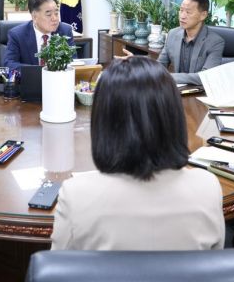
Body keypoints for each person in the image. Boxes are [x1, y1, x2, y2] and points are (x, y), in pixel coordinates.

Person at [51, 56, 225, 250]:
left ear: (103, 120)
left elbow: (58, 267)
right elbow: (213, 264)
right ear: (173, 115)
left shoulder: (76, 194)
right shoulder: (207, 188)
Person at [152, 0, 224, 85]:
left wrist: (169, 77)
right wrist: (137, 63)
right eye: (181, 10)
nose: (182, 16)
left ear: (203, 15)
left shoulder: (215, 42)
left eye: (188, 12)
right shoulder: (173, 34)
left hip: (199, 95)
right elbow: (159, 66)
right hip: (177, 91)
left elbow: (206, 77)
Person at [3, 0, 75, 70]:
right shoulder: (17, 34)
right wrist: (40, 71)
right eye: (49, 14)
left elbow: (73, 62)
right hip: (31, 81)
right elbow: (9, 64)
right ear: (34, 16)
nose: (54, 18)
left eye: (56, 13)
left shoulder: (65, 31)